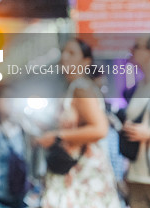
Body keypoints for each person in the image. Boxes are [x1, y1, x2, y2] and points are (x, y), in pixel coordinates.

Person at [34, 38, 121, 208]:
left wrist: (58, 136)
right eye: (64, 52)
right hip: (74, 167)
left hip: (82, 170)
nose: (65, 57)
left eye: (72, 53)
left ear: (85, 61)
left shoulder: (81, 88)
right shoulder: (73, 87)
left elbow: (100, 129)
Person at [123, 35, 150, 208]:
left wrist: (148, 134)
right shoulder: (139, 86)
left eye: (137, 46)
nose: (131, 51)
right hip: (137, 173)